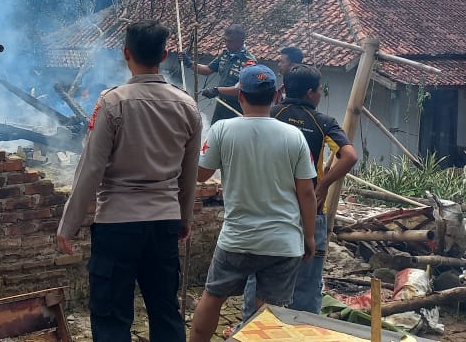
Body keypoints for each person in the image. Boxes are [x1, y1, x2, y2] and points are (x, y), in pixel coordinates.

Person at [57, 20, 202, 342]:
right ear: (164, 55)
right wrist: (185, 218)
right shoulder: (188, 106)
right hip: (163, 221)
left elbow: (90, 169)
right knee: (165, 311)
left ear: (126, 53)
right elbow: (189, 171)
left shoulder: (112, 103)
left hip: (117, 225)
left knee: (111, 316)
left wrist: (69, 225)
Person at [189, 64, 317, 342]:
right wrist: (309, 236)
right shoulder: (294, 136)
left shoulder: (222, 130)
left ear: (240, 96)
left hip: (237, 239)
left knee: (213, 296)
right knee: (268, 312)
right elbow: (307, 193)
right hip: (283, 242)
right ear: (275, 97)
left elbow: (200, 175)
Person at [240, 64, 358, 320]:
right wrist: (323, 185)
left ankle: (251, 330)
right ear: (311, 93)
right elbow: (349, 156)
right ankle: (302, 331)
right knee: (306, 283)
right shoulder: (324, 122)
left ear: (283, 88)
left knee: (258, 278)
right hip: (309, 210)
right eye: (318, 90)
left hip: (265, 208)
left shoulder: (268, 114)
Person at [182, 25, 257, 121]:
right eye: (225, 40)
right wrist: (188, 63)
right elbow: (207, 70)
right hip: (221, 104)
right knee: (215, 133)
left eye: (230, 41)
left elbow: (243, 89)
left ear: (241, 41)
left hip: (238, 108)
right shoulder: (225, 54)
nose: (226, 44)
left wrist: (217, 90)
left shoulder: (249, 61)